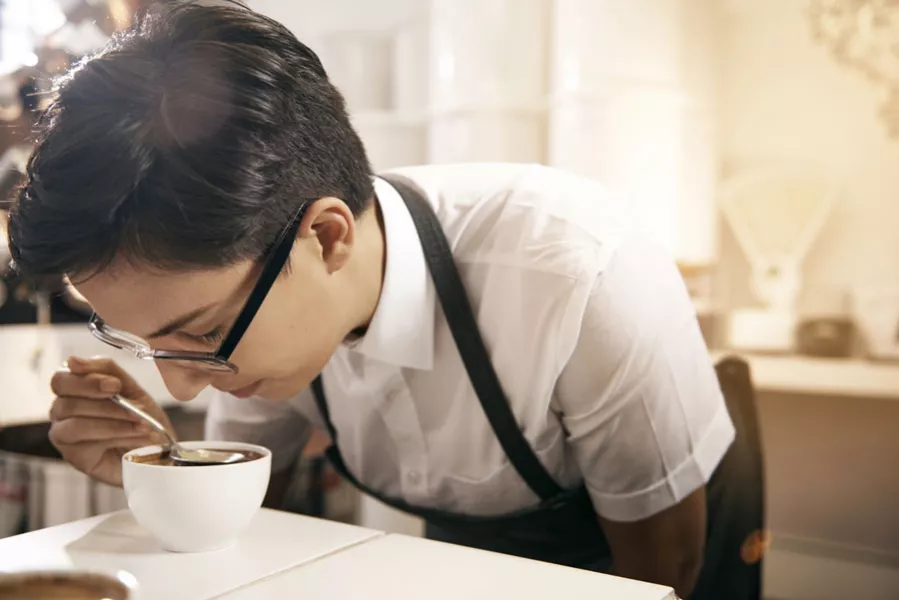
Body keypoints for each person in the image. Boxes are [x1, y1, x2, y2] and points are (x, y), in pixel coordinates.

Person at [6, 2, 748, 598]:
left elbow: (661, 576)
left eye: (203, 334)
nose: (180, 384)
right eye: (145, 344)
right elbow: (242, 528)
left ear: (327, 239)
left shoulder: (572, 269)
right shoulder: (262, 315)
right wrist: (155, 470)